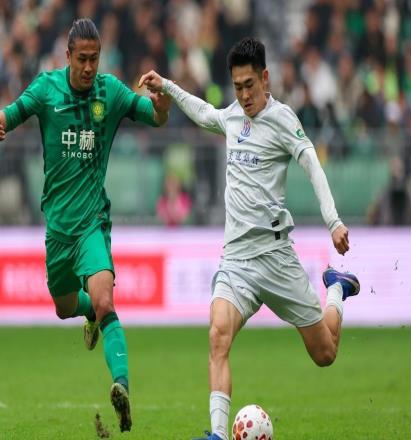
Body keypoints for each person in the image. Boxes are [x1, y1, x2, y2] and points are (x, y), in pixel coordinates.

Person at [139, 37, 360, 440]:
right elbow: (204, 112)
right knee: (217, 335)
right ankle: (218, 434)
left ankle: (336, 289)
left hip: (275, 257)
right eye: (237, 87)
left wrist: (333, 222)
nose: (243, 96)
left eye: (249, 86)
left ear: (265, 78)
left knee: (325, 353)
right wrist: (167, 86)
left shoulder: (282, 118)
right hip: (237, 260)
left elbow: (312, 164)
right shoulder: (232, 117)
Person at [0, 18, 171, 433]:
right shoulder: (46, 89)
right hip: (58, 229)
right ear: (67, 56)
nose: (89, 67)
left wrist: (162, 105)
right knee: (65, 306)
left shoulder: (111, 92)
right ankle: (86, 313)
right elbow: (13, 113)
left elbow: (155, 116)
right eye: (82, 59)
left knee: (106, 300)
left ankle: (121, 386)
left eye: (95, 59)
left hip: (91, 224)